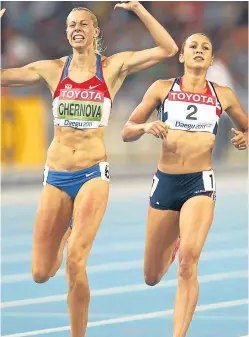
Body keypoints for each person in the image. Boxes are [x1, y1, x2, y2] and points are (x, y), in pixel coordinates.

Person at [1, 2, 178, 337]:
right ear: (67, 33)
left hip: (92, 175)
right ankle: (66, 228)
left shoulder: (112, 67)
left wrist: (139, 9)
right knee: (41, 272)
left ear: (96, 32)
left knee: (75, 261)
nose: (77, 28)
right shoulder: (52, 69)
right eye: (71, 24)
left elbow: (168, 48)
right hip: (55, 175)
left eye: (84, 23)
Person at [122, 33, 248, 337]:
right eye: (193, 46)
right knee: (152, 276)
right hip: (165, 183)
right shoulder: (162, 89)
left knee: (187, 264)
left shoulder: (224, 94)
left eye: (206, 47)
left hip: (199, 183)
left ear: (212, 58)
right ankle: (174, 239)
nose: (199, 51)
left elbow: (247, 127)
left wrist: (245, 137)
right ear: (181, 56)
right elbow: (127, 131)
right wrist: (145, 126)